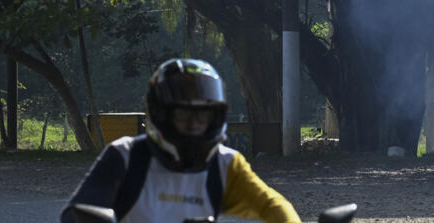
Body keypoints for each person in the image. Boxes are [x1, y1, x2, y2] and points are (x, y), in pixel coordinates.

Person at [60, 58, 302, 223]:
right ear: (161, 113)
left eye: (203, 113)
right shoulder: (125, 156)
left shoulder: (226, 164)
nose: (194, 121)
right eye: (183, 112)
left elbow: (273, 206)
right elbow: (77, 214)